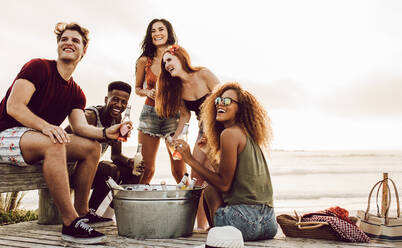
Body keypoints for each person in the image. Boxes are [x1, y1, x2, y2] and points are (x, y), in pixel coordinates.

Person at [0, 22, 131, 244]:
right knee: (55, 142)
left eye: (75, 40)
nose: (68, 42)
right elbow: (15, 106)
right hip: (7, 135)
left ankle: (81, 214)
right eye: (64, 39)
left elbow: (81, 128)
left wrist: (109, 132)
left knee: (92, 147)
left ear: (84, 50)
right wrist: (46, 127)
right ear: (58, 45)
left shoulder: (77, 92)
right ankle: (69, 223)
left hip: (39, 139)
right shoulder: (38, 67)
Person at [173, 82, 278, 241]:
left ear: (240, 108)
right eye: (218, 100)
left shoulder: (228, 134)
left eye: (227, 101)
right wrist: (208, 151)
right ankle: (217, 228)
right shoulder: (247, 134)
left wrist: (189, 158)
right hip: (269, 224)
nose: (220, 103)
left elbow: (223, 184)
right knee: (214, 186)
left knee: (209, 189)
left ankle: (218, 234)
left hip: (243, 224)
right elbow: (229, 176)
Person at [156, 45, 220, 230]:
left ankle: (217, 222)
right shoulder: (178, 89)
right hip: (203, 129)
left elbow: (225, 99)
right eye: (164, 62)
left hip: (220, 127)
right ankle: (201, 227)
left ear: (181, 58)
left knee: (212, 172)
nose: (166, 65)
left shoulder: (204, 74)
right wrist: (173, 138)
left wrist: (216, 131)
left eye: (169, 59)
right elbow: (185, 116)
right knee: (195, 177)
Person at [65, 81, 143, 218]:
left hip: (89, 171)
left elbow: (117, 156)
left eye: (124, 102)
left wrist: (131, 162)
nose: (119, 105)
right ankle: (88, 214)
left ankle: (112, 214)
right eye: (115, 100)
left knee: (134, 171)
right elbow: (64, 140)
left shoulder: (117, 119)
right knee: (109, 170)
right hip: (69, 172)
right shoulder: (89, 116)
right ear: (106, 100)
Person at [134, 18, 186, 184]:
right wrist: (147, 92)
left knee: (179, 171)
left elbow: (186, 81)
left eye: (161, 29)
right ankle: (141, 208)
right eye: (153, 31)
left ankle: (191, 208)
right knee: (146, 170)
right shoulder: (144, 61)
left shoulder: (177, 55)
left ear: (168, 32)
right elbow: (137, 88)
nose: (157, 34)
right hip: (150, 115)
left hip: (174, 115)